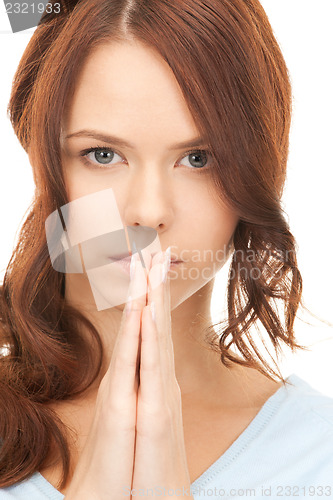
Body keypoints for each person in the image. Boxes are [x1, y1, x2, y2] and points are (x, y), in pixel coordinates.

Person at [1, 0, 333, 498]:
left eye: (198, 159)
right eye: (103, 154)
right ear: (42, 156)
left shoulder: (318, 457)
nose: (147, 211)